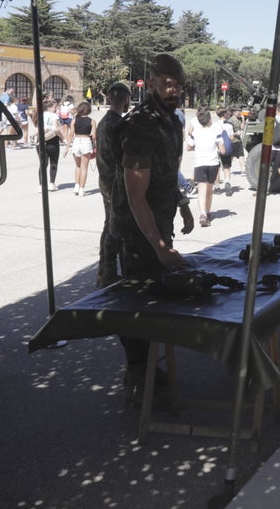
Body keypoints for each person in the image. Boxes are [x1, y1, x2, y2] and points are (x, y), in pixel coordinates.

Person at [110, 54, 194, 398]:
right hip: (136, 232)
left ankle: (148, 371)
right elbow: (135, 195)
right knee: (137, 302)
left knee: (157, 298)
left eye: (177, 84)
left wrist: (183, 205)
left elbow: (170, 172)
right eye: (166, 84)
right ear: (154, 82)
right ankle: (137, 373)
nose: (172, 90)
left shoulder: (172, 121)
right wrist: (159, 247)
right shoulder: (140, 126)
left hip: (161, 223)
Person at [94, 81, 131, 288]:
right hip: (116, 182)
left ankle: (105, 271)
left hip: (105, 179)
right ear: (126, 99)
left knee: (110, 224)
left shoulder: (104, 122)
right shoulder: (118, 124)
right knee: (115, 228)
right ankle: (109, 272)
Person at [187, 107, 221, 227]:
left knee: (201, 190)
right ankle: (208, 212)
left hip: (200, 163)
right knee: (209, 190)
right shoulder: (216, 132)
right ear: (210, 120)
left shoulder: (195, 133)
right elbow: (222, 149)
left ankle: (202, 214)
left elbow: (188, 147)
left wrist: (198, 147)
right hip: (213, 163)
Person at [70, 101, 97, 197]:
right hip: (86, 141)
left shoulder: (74, 120)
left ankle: (76, 186)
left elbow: (71, 135)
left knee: (77, 166)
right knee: (84, 168)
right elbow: (94, 136)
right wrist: (93, 144)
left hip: (76, 141)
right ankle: (82, 189)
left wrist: (66, 148)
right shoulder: (92, 121)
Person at [39, 96, 63, 191]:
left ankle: (41, 185)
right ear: (50, 107)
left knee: (43, 164)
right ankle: (51, 183)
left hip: (41, 140)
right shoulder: (54, 116)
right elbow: (56, 129)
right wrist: (63, 137)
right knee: (53, 162)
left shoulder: (41, 115)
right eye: (55, 107)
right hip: (52, 140)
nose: (56, 109)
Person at [216, 108, 235, 192]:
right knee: (226, 166)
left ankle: (217, 186)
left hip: (217, 148)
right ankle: (227, 181)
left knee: (217, 168)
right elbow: (232, 138)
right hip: (226, 148)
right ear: (224, 115)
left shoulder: (214, 125)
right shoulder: (229, 125)